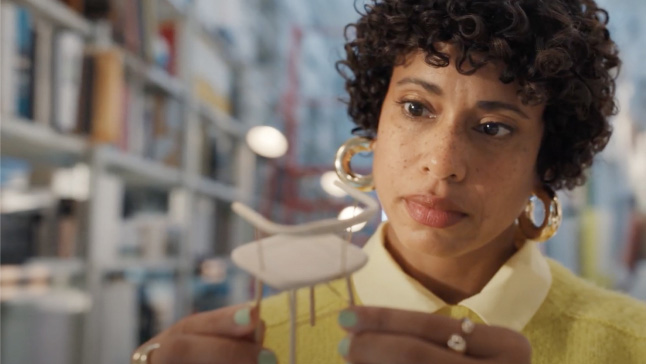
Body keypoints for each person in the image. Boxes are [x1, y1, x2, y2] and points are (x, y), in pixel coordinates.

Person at [132, 0, 646, 363]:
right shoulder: (260, 343)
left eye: (493, 128)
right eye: (417, 107)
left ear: (546, 162)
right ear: (373, 128)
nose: (442, 163)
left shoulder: (631, 344)